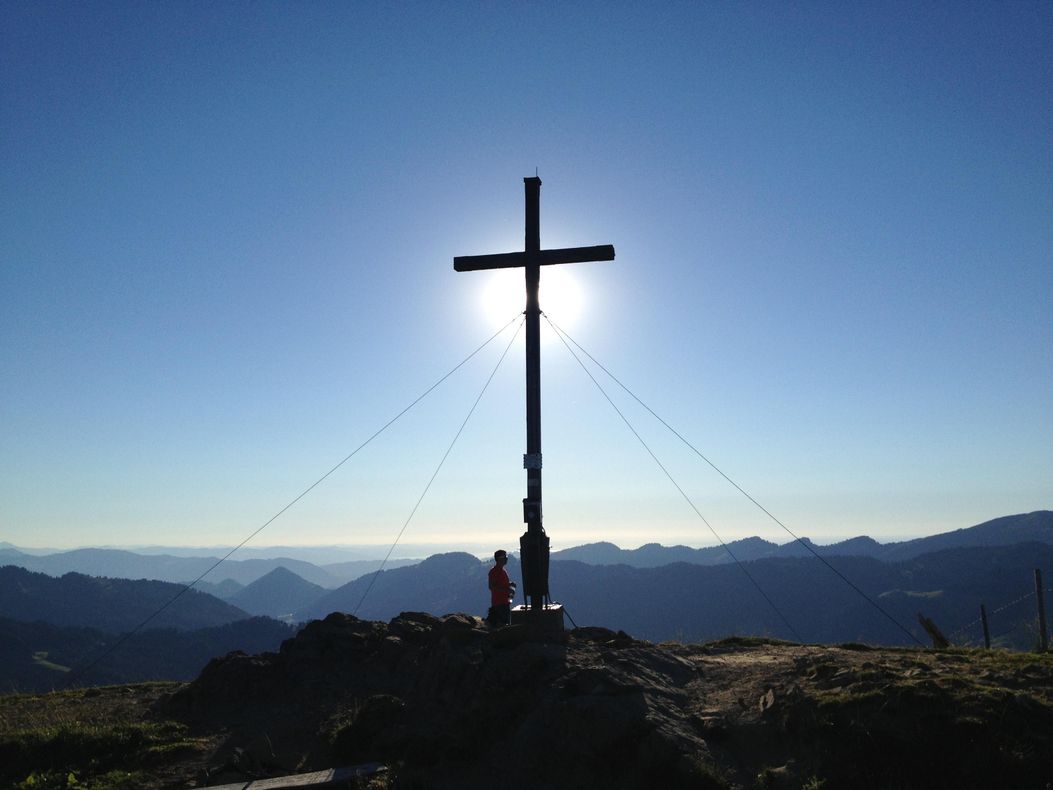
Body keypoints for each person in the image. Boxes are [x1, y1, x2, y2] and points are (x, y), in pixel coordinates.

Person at [486, 549, 516, 626]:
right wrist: (506, 590)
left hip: (505, 603)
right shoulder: (494, 571)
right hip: (499, 604)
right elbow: (491, 587)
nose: (506, 558)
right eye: (504, 557)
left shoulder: (503, 571)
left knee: (505, 625)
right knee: (502, 626)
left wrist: (509, 585)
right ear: (499, 559)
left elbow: (500, 584)